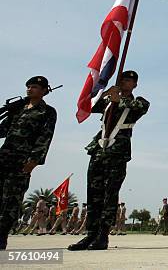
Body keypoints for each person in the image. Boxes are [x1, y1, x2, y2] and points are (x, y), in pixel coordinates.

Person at [68, 71, 149, 251]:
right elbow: (87, 105)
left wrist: (117, 99)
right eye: (122, 79)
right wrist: (104, 94)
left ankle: (103, 235)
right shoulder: (107, 100)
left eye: (128, 80)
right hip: (98, 149)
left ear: (135, 84)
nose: (124, 82)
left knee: (110, 193)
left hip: (117, 151)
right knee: (93, 193)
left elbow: (138, 107)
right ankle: (90, 233)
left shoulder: (140, 101)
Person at [0, 76, 57, 250]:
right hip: (4, 157)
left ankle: (1, 235)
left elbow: (45, 137)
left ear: (43, 90)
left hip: (22, 160)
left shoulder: (47, 112)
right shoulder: (17, 109)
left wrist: (34, 160)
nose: (29, 89)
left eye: (34, 87)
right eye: (28, 86)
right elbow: (3, 131)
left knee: (12, 199)